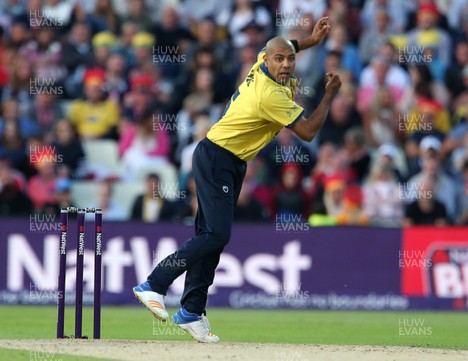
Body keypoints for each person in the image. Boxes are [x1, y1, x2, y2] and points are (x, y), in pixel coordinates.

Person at [133, 17, 340, 343]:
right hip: (218, 157)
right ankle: (155, 283)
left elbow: (286, 46)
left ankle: (191, 311)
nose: (286, 64)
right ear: (267, 59)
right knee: (216, 233)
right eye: (280, 59)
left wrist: (311, 40)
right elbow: (310, 132)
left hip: (228, 161)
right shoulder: (270, 94)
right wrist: (329, 95)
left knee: (211, 235)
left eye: (290, 60)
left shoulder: (263, 61)